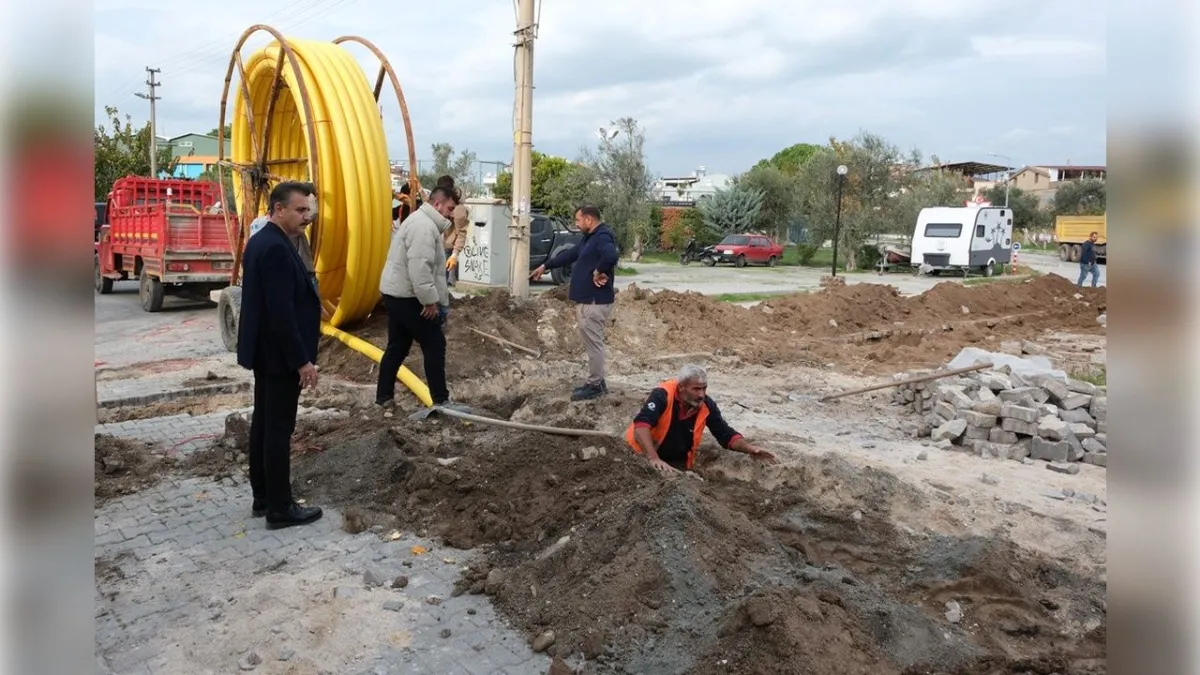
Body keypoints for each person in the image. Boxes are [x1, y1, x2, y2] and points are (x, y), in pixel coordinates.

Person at [237, 181, 323, 530]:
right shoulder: (274, 247)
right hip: (278, 356)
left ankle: (263, 496)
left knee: (264, 422)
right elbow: (281, 312)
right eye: (300, 210)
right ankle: (280, 507)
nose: (306, 216)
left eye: (308, 210)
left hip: (267, 353)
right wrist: (301, 360)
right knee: (277, 428)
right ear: (278, 209)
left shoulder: (265, 241)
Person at [376, 184, 465, 409]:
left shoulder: (421, 221)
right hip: (408, 296)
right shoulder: (424, 227)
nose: (451, 214)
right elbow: (420, 268)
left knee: (398, 346)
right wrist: (429, 301)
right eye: (450, 208)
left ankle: (384, 398)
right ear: (437, 204)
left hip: (397, 292)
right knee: (434, 342)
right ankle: (441, 400)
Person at [529, 205, 619, 401]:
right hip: (588, 300)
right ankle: (597, 381)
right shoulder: (589, 238)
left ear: (589, 219)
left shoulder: (602, 235)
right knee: (593, 343)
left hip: (594, 301)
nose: (576, 224)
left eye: (578, 220)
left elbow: (611, 256)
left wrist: (599, 271)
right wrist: (545, 265)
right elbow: (570, 254)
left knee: (594, 345)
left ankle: (595, 385)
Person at [626, 365, 777, 474]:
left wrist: (748, 448)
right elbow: (641, 427)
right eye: (696, 389)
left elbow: (725, 434)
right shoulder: (662, 395)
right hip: (641, 457)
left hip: (677, 464)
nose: (701, 395)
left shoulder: (706, 405)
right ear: (681, 387)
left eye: (704, 388)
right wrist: (653, 458)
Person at [445, 202, 469, 286]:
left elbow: (461, 234)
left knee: (450, 258)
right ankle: (450, 279)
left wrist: (455, 253)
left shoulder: (459, 211)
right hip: (448, 242)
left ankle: (450, 279)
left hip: (451, 243)